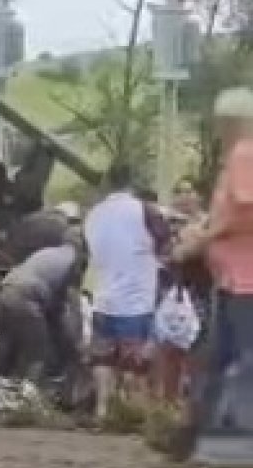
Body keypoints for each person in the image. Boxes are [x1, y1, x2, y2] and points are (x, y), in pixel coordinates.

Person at [174, 88, 253, 449]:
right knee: (218, 357)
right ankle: (198, 433)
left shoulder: (244, 154)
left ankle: (232, 438)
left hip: (245, 280)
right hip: (232, 279)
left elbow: (246, 210)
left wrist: (202, 240)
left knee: (240, 358)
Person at [84, 162, 165, 419]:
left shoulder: (93, 214)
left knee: (102, 360)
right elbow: (165, 244)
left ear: (107, 182)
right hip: (136, 301)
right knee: (134, 363)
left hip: (103, 298)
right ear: (132, 181)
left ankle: (102, 410)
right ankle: (130, 413)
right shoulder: (145, 211)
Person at [0, 232, 87, 382]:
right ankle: (30, 394)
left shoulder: (48, 252)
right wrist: (73, 343)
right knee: (38, 352)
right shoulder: (73, 261)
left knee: (7, 354)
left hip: (6, 290)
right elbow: (63, 302)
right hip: (25, 298)